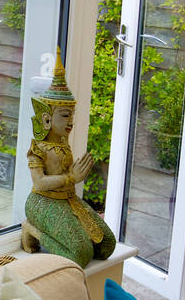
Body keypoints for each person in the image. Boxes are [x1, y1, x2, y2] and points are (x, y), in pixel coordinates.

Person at [20, 50, 116, 268]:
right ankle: (31, 229)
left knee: (107, 246)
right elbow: (39, 182)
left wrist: (73, 177)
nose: (70, 121)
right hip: (42, 201)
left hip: (68, 200)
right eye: (64, 115)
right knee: (80, 255)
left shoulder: (63, 143)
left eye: (72, 115)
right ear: (46, 118)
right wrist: (70, 177)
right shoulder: (38, 148)